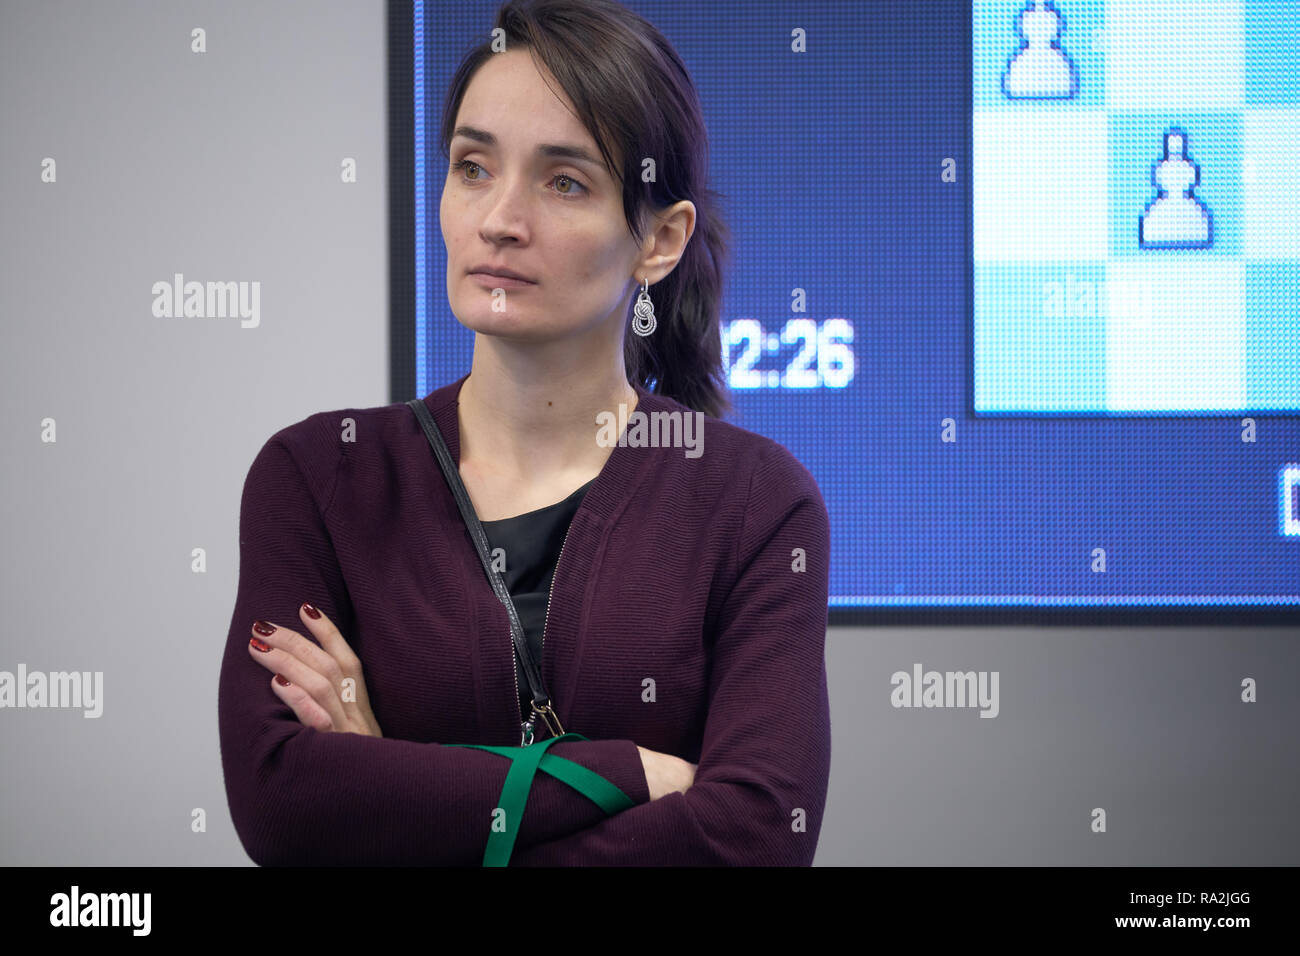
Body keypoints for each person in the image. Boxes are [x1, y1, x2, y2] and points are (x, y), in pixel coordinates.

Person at [217, 0, 831, 866]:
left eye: (563, 181)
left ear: (659, 240)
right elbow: (285, 806)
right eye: (472, 167)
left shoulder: (757, 503)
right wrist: (632, 774)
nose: (498, 219)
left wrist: (391, 779)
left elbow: (758, 837)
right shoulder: (319, 476)